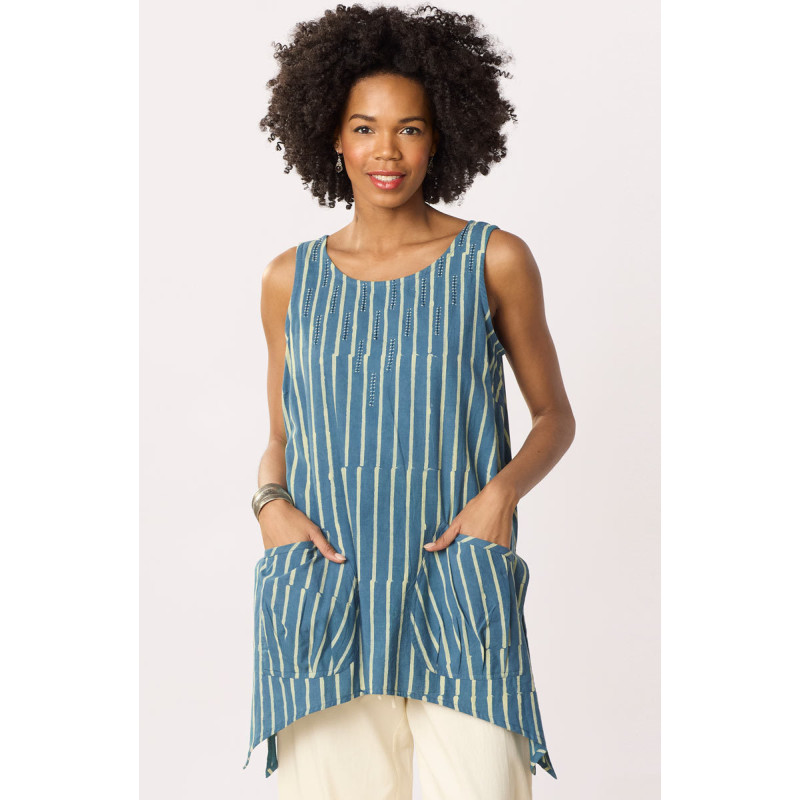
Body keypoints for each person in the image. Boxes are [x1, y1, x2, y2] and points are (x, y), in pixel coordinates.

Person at [242, 4, 576, 798]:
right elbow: (283, 434)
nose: (386, 152)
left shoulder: (493, 260)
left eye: (410, 129)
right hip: (326, 588)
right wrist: (268, 505)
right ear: (333, 136)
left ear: (440, 136)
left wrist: (500, 496)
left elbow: (554, 418)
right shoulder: (290, 279)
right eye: (364, 128)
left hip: (455, 583)